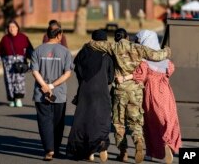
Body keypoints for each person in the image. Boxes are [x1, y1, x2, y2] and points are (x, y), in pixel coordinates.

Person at [87, 28, 171, 163]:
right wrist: (167, 50)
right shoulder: (138, 48)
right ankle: (138, 141)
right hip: (136, 91)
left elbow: (95, 44)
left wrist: (90, 43)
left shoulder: (113, 47)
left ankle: (123, 152)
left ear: (116, 38)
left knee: (119, 123)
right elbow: (157, 56)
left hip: (119, 90)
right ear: (127, 37)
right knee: (136, 121)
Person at [117, 30, 182, 164]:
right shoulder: (165, 60)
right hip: (166, 92)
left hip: (151, 93)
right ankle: (168, 143)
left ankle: (151, 153)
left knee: (151, 124)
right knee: (169, 119)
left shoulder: (144, 61)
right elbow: (171, 69)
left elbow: (139, 75)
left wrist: (123, 78)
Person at [66, 30, 114, 162]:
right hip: (101, 91)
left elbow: (78, 71)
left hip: (85, 91)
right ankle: (102, 145)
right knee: (101, 120)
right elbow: (110, 78)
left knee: (84, 120)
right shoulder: (107, 55)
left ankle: (89, 152)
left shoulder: (83, 52)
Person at [31, 21, 73, 161]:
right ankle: (55, 148)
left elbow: (34, 71)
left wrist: (44, 85)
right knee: (58, 123)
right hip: (59, 94)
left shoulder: (37, 51)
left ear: (47, 35)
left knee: (44, 121)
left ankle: (49, 149)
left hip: (41, 93)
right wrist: (52, 86)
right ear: (59, 35)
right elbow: (68, 73)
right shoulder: (65, 52)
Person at [0, 20, 34, 107]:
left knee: (19, 81)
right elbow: (0, 51)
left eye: (13, 27)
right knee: (9, 81)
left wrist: (33, 60)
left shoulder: (23, 37)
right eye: (10, 27)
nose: (11, 29)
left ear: (17, 28)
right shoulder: (5, 39)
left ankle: (18, 98)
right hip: (8, 63)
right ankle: (11, 99)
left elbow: (30, 49)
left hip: (20, 63)